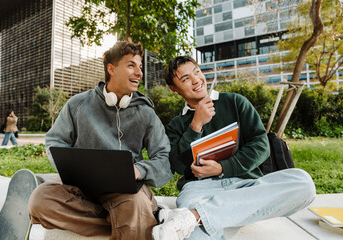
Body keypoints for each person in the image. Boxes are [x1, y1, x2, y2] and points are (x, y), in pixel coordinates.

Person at [152, 56, 316, 240]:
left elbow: (261, 144)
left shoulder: (236, 102)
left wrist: (224, 168)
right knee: (193, 230)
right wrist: (195, 125)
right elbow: (178, 167)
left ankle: (195, 216)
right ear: (175, 89)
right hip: (199, 190)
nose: (196, 80)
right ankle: (201, 214)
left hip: (245, 184)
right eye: (186, 79)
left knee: (304, 183)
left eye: (197, 72)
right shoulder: (176, 124)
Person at [27, 41, 173, 239]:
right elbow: (55, 141)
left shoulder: (146, 113)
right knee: (40, 200)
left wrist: (139, 170)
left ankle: (135, 218)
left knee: (134, 205)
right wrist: (73, 169)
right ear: (111, 69)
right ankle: (131, 223)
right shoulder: (78, 104)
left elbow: (164, 156)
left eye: (140, 67)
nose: (139, 73)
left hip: (126, 192)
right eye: (131, 65)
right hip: (83, 188)